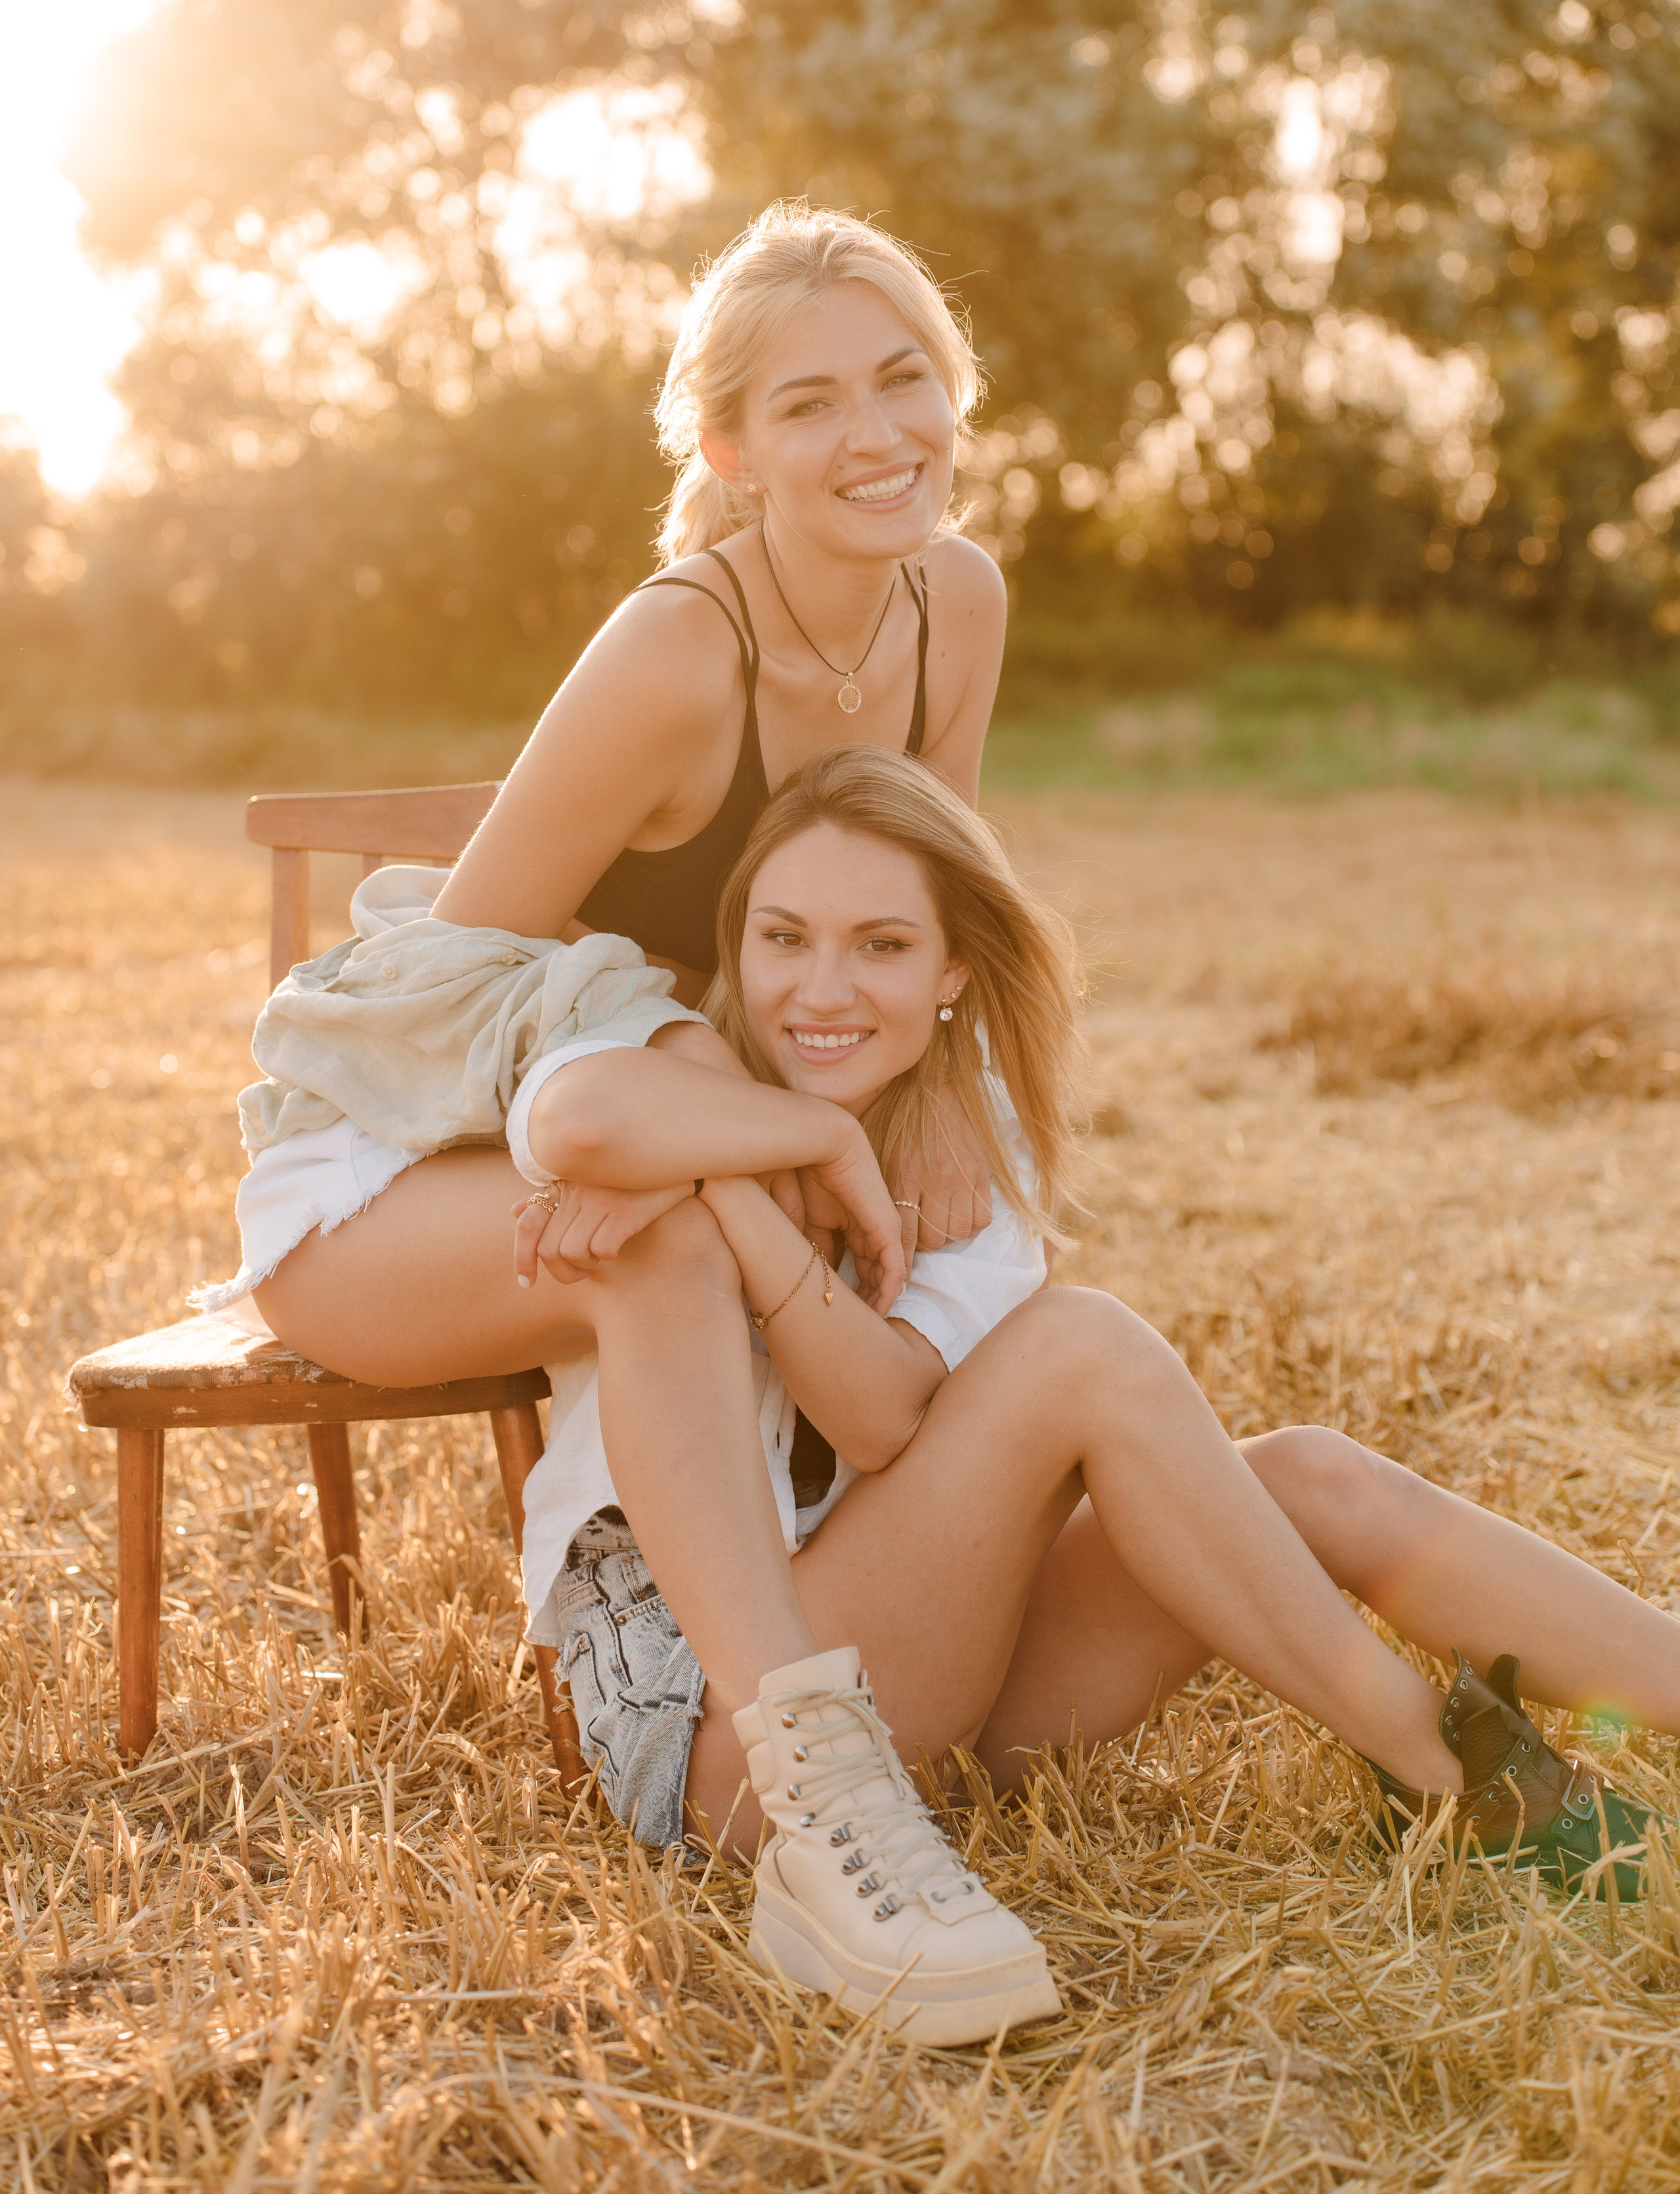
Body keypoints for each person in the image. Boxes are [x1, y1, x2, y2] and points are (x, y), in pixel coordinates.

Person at [504, 744, 1666, 2046]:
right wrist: (753, 1162)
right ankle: (1451, 1772)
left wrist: (759, 1203)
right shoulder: (668, 1081)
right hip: (727, 1733)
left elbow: (887, 1418)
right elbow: (583, 1125)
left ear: (953, 972)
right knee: (1082, 1351)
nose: (819, 991)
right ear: (737, 944)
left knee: (1305, 1474)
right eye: (782, 938)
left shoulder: (965, 1131)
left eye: (881, 947)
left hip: (926, 1670)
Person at [222, 202, 1009, 1370]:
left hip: (721, 1116)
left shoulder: (960, 601)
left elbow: (940, 912)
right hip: (439, 1148)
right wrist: (694, 1119)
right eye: (811, 405)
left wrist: (937, 1104)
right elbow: (447, 983)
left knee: (990, 1223)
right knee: (706, 1248)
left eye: (904, 381)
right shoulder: (679, 653)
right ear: (729, 451)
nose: (879, 434)